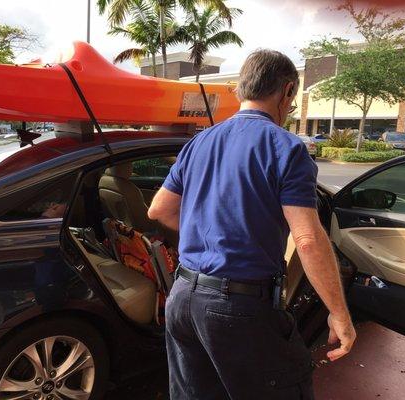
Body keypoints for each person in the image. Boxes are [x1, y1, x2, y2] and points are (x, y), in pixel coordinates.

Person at [148, 49, 356, 400]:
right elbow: (306, 239)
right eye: (291, 100)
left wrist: (212, 237)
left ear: (242, 90)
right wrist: (339, 314)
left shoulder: (200, 141)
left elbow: (159, 210)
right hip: (237, 308)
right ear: (287, 91)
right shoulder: (287, 148)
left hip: (182, 299)